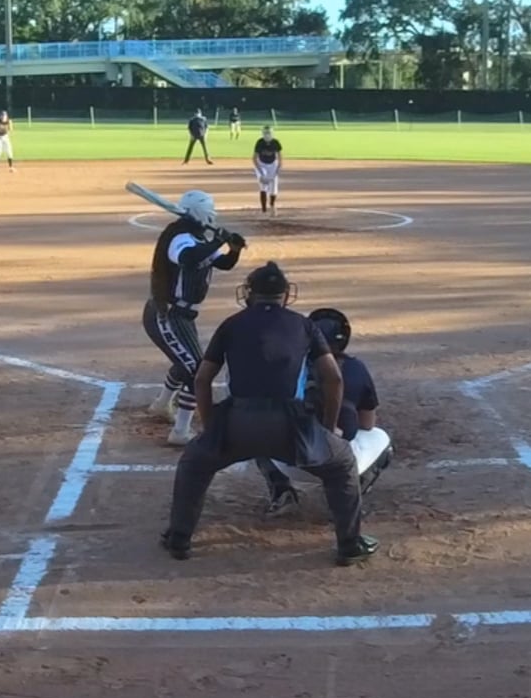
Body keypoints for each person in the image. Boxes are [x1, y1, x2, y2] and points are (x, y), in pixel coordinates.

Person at [161, 262, 378, 566]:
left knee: (194, 464)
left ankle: (179, 539)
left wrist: (212, 429)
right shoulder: (304, 325)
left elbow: (202, 379)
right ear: (285, 295)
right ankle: (349, 545)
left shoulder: (231, 324)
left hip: (238, 420)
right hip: (291, 425)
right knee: (341, 464)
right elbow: (334, 378)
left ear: (249, 293)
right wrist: (327, 429)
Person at [256, 307, 392, 516]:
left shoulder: (286, 365)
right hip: (338, 462)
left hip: (288, 461)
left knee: (257, 427)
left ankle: (281, 491)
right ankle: (345, 499)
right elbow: (367, 424)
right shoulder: (355, 368)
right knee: (380, 437)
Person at [143, 190, 245, 445]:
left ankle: (161, 405)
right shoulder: (179, 237)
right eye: (211, 210)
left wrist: (233, 249)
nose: (214, 214)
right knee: (197, 371)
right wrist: (217, 241)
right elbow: (188, 259)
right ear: (201, 212)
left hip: (183, 316)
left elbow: (223, 263)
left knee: (187, 361)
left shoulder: (198, 238)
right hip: (166, 313)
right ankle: (180, 432)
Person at [253, 126, 283, 214]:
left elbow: (280, 159)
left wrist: (275, 173)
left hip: (273, 164)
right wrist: (261, 173)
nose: (267, 135)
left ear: (272, 133)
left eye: (269, 133)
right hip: (261, 164)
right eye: (265, 133)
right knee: (263, 183)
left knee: (274, 187)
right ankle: (264, 210)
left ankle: (272, 205)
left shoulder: (276, 143)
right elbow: (254, 158)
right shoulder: (260, 142)